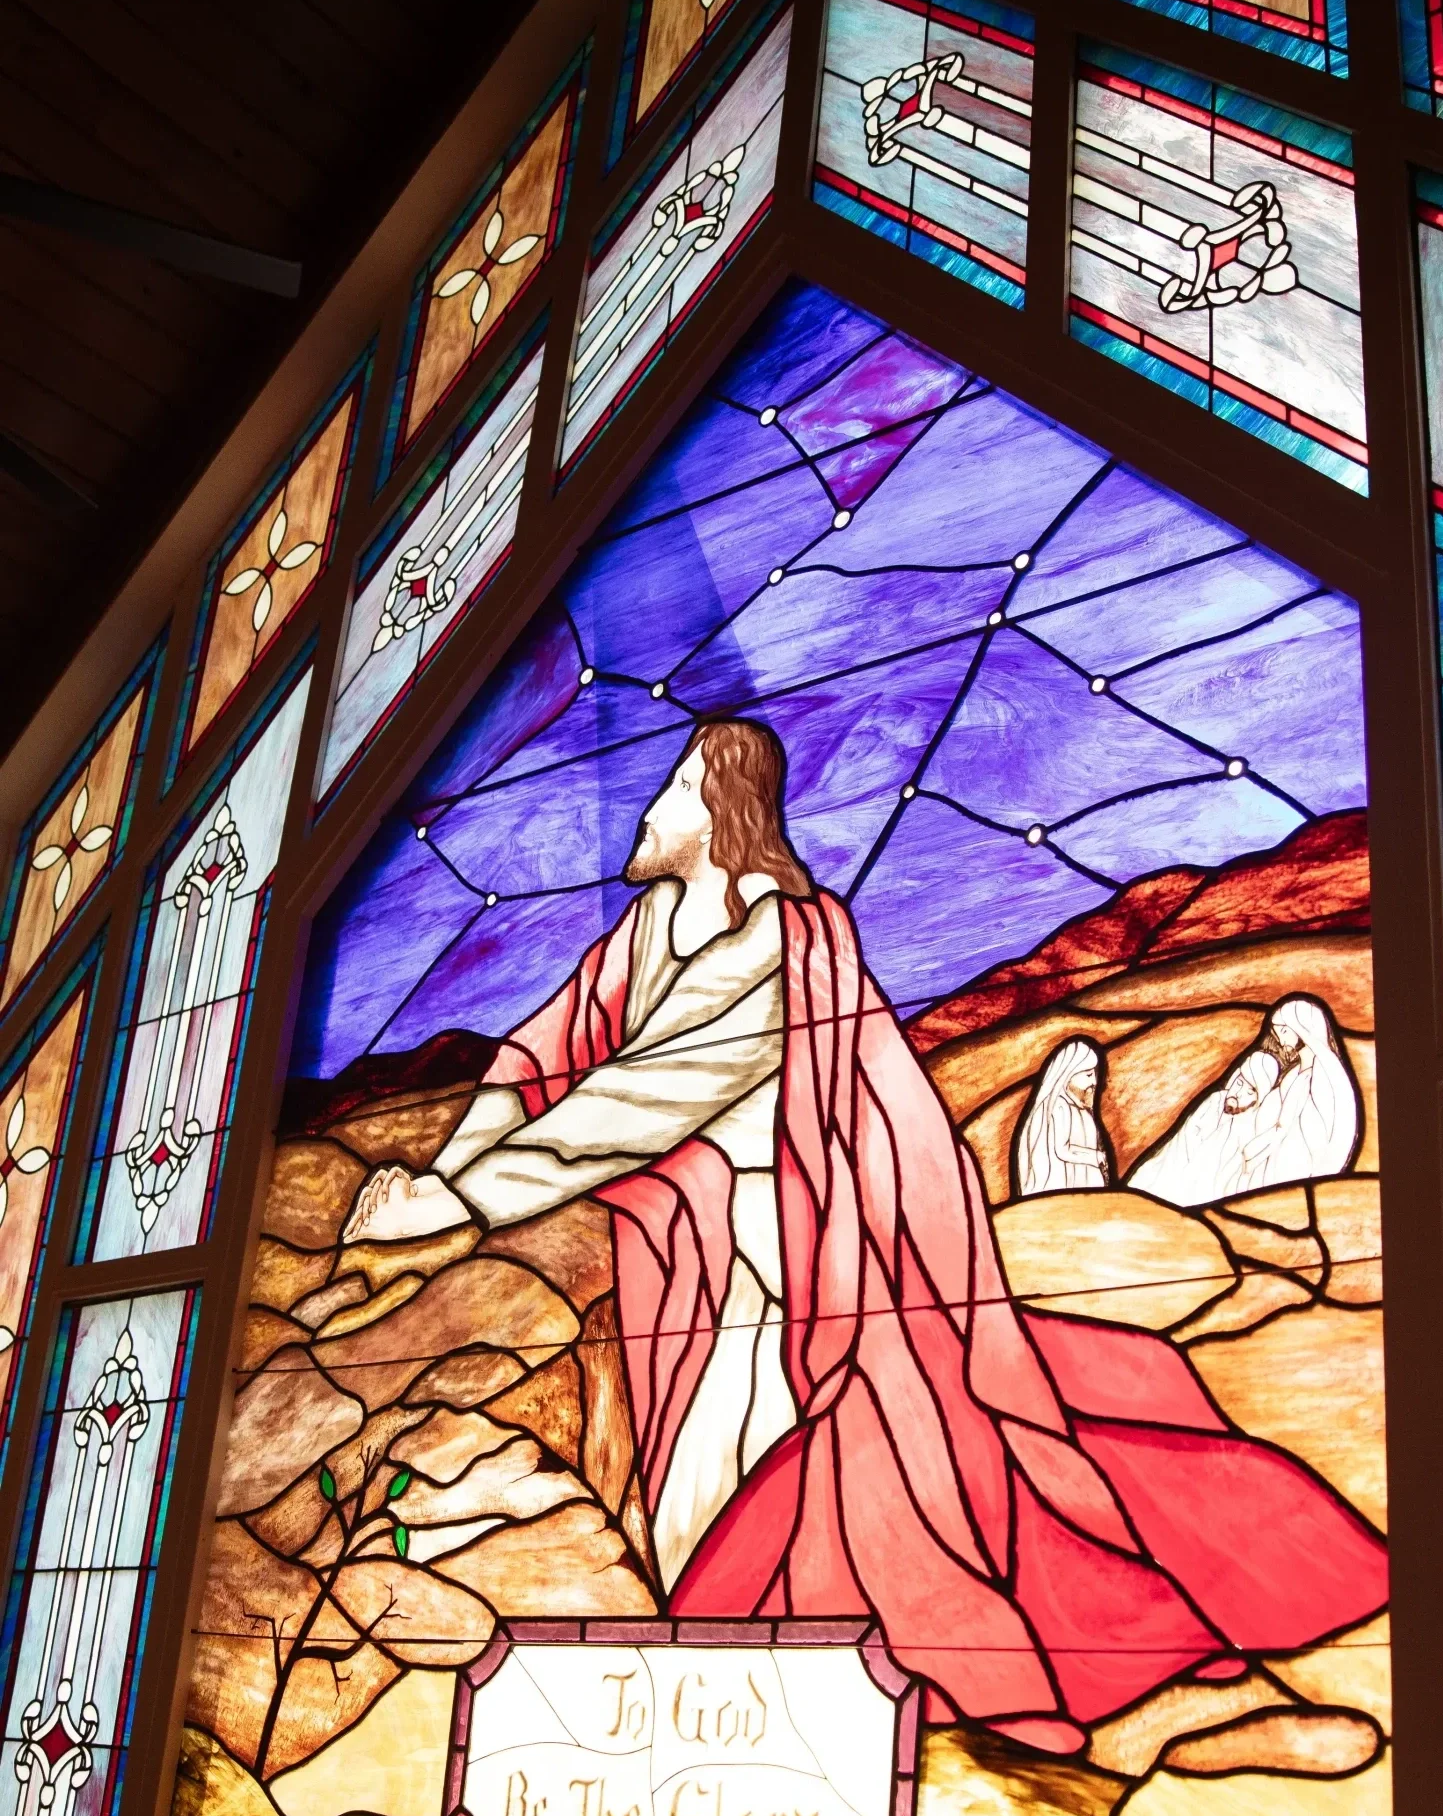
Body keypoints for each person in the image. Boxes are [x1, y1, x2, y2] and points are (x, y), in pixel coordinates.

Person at [347, 720, 1386, 1754]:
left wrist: (454, 1205)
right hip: (698, 1266)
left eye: (671, 781)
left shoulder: (779, 948)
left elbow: (631, 1103)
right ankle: (721, 1692)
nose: (648, 805)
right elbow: (538, 1059)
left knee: (797, 1507)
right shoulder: (643, 937)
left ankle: (1095, 1698)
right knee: (702, 1507)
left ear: (717, 807)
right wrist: (437, 1174)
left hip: (802, 1265)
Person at [1126, 996, 1360, 1208]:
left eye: (1285, 1031)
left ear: (1303, 1030)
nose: (1280, 1039)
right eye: (1278, 1032)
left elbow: (1328, 1125)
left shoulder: (1325, 1074)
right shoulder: (1292, 1074)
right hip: (1265, 1154)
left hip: (1294, 1158)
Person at [1013, 1037, 1110, 1195]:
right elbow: (1062, 1150)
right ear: (1069, 1074)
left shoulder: (1078, 1107)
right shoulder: (1058, 1106)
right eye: (1088, 1075)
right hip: (1062, 1190)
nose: (1094, 1081)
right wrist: (1097, 1157)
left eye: (1094, 1074)